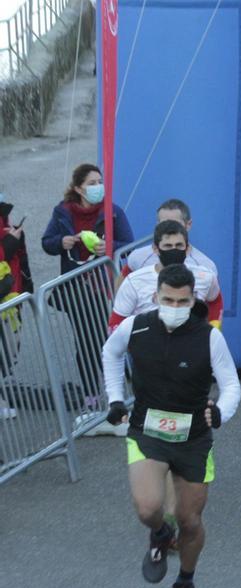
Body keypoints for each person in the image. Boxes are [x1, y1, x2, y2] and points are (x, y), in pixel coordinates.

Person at [102, 264, 241, 588]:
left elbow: (231, 387)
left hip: (193, 439)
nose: (175, 306)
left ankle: (185, 583)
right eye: (168, 299)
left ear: (193, 299)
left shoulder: (209, 337)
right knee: (149, 508)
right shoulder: (137, 326)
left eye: (182, 301)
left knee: (190, 520)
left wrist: (221, 413)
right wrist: (115, 398)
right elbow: (110, 353)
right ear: (155, 297)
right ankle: (161, 534)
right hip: (147, 431)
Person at [42, 162, 134, 410]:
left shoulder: (112, 211)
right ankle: (91, 394)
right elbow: (47, 243)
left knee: (109, 337)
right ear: (78, 189)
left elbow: (129, 243)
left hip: (106, 285)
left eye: (100, 182)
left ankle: (116, 386)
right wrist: (63, 241)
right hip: (76, 287)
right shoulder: (63, 213)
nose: (98, 187)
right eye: (91, 184)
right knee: (87, 339)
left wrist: (111, 247)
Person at [110, 221, 221, 328]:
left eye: (179, 245)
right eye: (168, 246)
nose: (174, 250)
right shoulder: (134, 282)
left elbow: (215, 300)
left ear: (187, 249)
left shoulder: (206, 277)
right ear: (155, 249)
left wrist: (214, 328)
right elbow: (116, 321)